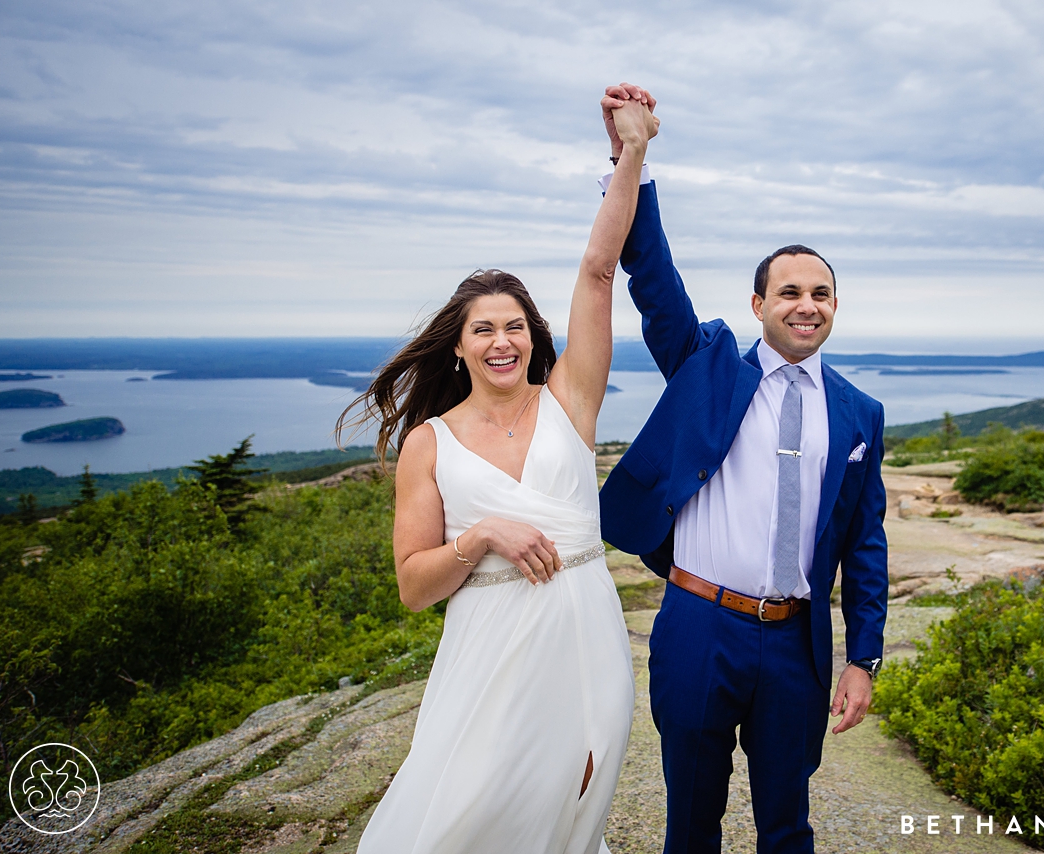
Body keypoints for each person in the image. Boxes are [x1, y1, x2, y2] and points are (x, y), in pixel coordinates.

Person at [346, 91, 659, 854]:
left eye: (514, 327)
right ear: (457, 347)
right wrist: (482, 533)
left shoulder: (570, 402)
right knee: (468, 813)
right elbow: (414, 588)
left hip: (582, 632)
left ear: (533, 337)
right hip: (488, 647)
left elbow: (596, 270)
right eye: (482, 329)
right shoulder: (430, 443)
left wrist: (633, 153)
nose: (501, 341)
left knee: (572, 806)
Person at [599, 84, 888, 854]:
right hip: (700, 623)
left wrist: (863, 656)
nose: (807, 304)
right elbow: (651, 278)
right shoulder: (708, 365)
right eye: (790, 292)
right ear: (758, 302)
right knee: (690, 821)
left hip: (795, 641)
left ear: (835, 306)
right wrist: (635, 158)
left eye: (822, 293)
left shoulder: (860, 414)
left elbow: (864, 546)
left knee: (788, 827)